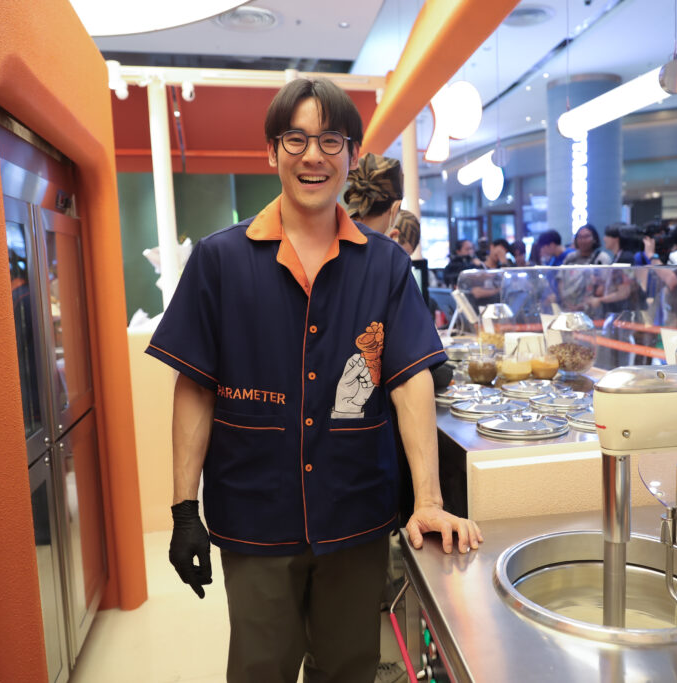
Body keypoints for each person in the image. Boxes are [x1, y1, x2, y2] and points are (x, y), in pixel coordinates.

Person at [146, 77, 481, 683]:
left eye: (331, 140)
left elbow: (410, 379)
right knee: (261, 669)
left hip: (355, 513)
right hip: (255, 516)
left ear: (351, 156)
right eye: (295, 139)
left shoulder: (384, 265)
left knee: (348, 668)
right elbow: (195, 385)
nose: (313, 156)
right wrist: (183, 509)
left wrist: (428, 501)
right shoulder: (220, 261)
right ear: (271, 151)